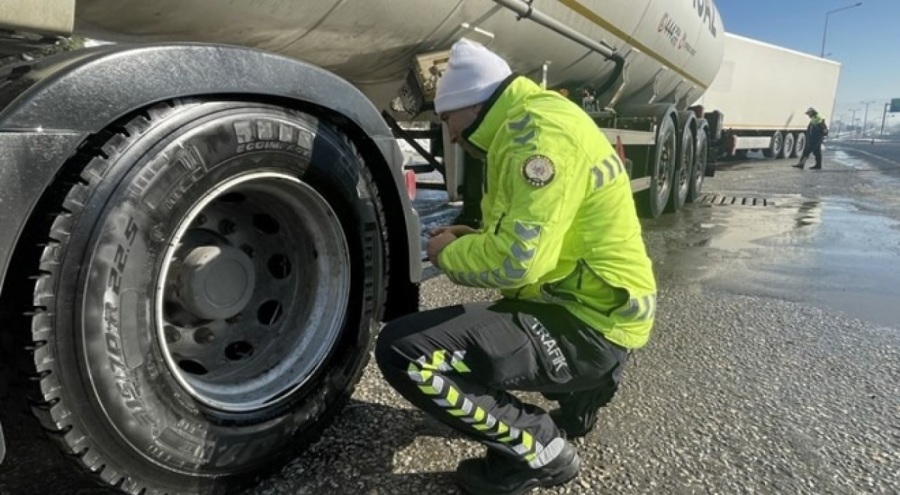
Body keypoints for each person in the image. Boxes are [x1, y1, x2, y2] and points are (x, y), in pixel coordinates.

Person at [375, 39, 657, 495]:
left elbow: (517, 263)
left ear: (472, 104)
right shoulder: (531, 121)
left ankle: (541, 448)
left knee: (406, 352)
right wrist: (473, 238)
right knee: (494, 324)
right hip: (601, 308)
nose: (448, 135)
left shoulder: (535, 139)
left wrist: (445, 255)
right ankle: (583, 392)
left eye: (447, 119)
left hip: (589, 325)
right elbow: (532, 231)